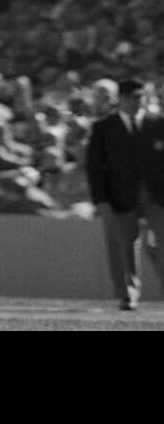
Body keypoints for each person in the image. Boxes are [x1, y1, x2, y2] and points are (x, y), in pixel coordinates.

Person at [85, 79, 164, 311]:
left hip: (156, 197)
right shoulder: (104, 127)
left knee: (160, 243)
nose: (138, 102)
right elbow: (95, 167)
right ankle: (128, 293)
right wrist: (100, 199)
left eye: (141, 97)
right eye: (134, 97)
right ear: (122, 99)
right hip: (120, 196)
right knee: (125, 246)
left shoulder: (157, 124)